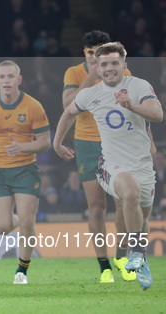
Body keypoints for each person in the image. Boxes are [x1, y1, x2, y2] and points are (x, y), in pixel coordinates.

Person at [54, 42, 162, 290]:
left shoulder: (139, 86)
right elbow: (69, 113)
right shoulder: (90, 94)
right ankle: (134, 254)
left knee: (142, 218)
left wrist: (131, 105)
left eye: (114, 63)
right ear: (98, 68)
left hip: (142, 164)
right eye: (103, 64)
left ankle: (140, 258)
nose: (109, 68)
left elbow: (158, 114)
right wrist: (57, 142)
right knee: (130, 194)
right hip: (111, 164)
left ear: (124, 64)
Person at [62, 30, 137, 282]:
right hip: (86, 143)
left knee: (121, 201)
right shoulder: (74, 73)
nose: (95, 57)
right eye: (91, 52)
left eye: (100, 51)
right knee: (96, 207)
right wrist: (91, 77)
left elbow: (131, 104)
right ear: (85, 53)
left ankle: (122, 256)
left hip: (116, 143)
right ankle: (104, 265)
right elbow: (67, 105)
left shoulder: (121, 71)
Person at [0, 60, 51, 284]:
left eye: (10, 76)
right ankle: (20, 219)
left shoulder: (33, 106)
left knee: (26, 223)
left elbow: (45, 142)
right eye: (2, 77)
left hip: (25, 169)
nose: (6, 81)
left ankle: (21, 271)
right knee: (3, 227)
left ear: (19, 79)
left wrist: (22, 147)